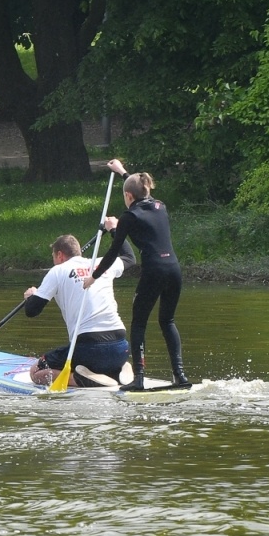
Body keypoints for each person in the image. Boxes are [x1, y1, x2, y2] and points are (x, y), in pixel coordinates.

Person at [84, 159, 188, 388]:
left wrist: (94, 276)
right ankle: (180, 375)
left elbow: (113, 253)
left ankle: (138, 378)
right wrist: (123, 172)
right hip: (174, 270)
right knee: (167, 320)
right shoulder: (161, 206)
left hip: (154, 273)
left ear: (128, 197)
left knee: (139, 323)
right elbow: (139, 189)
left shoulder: (129, 217)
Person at [23, 233, 134, 387]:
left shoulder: (58, 271)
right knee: (102, 357)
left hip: (89, 349)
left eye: (53, 257)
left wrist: (31, 297)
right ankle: (117, 371)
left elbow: (31, 311)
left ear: (60, 255)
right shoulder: (103, 264)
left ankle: (84, 379)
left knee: (36, 371)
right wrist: (115, 230)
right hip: (121, 348)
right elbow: (129, 258)